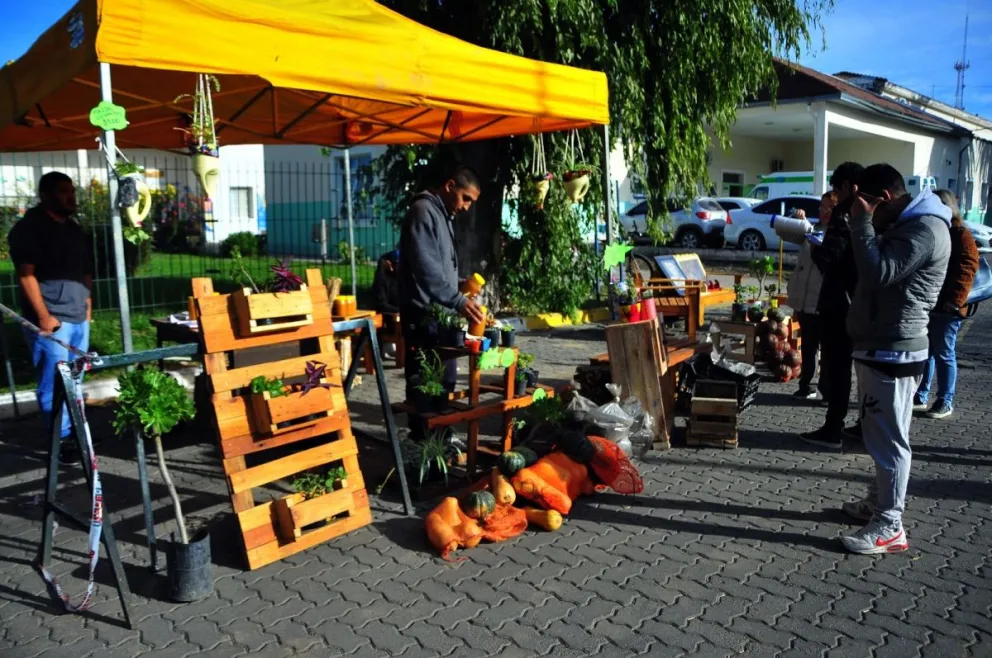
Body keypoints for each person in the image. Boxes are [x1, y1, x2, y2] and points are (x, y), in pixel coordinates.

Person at [840, 164, 950, 555]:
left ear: (881, 199)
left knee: (890, 442)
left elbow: (879, 272)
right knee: (880, 435)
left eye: (863, 205)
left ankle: (890, 525)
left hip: (895, 348)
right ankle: (877, 504)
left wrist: (862, 224)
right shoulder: (910, 225)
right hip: (884, 345)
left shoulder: (923, 230)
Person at [8, 171, 93, 463]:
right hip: (52, 320)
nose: (70, 196)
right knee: (54, 381)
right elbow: (26, 274)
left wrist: (88, 306)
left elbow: (85, 270)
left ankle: (77, 432)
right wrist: (43, 316)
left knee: (76, 379)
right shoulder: (29, 229)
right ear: (45, 195)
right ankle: (62, 439)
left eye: (71, 190)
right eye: (62, 191)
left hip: (78, 317)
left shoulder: (74, 230)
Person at [398, 166, 485, 434]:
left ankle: (439, 442)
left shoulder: (442, 214)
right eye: (465, 198)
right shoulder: (423, 211)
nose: (467, 207)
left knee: (444, 380)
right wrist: (458, 300)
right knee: (425, 385)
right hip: (423, 317)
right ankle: (422, 447)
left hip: (439, 316)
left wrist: (459, 286)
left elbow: (437, 268)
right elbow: (425, 269)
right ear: (449, 186)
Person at [801, 162, 864, 448]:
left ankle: (832, 428)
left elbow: (830, 259)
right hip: (863, 301)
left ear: (850, 186)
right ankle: (862, 425)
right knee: (860, 370)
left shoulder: (845, 213)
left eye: (838, 189)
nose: (835, 196)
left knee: (838, 367)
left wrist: (816, 247)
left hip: (839, 303)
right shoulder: (875, 213)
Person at [913, 189, 979, 419]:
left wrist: (955, 301)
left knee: (944, 353)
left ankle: (944, 400)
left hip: (948, 308)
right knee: (928, 352)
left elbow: (968, 266)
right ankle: (921, 395)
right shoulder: (941, 230)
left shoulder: (960, 234)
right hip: (933, 303)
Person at [786, 191, 833, 400]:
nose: (823, 211)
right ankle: (807, 385)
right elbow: (790, 234)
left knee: (828, 348)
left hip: (823, 302)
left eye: (828, 207)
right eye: (821, 207)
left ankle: (827, 389)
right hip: (805, 300)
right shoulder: (813, 229)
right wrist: (798, 219)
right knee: (809, 345)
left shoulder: (840, 234)